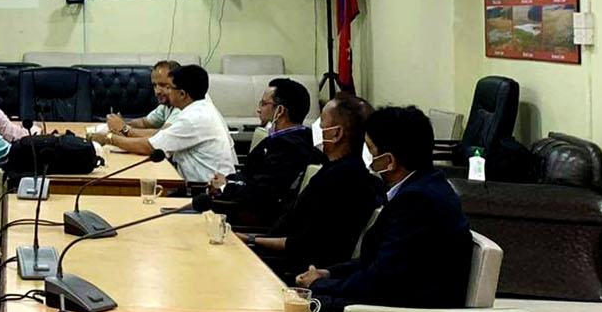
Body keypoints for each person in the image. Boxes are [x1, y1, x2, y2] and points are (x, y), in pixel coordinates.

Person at [295, 106, 471, 312]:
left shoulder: (417, 202)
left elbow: (380, 279)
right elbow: (380, 260)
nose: (366, 157)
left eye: (370, 149)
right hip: (395, 299)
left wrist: (320, 284)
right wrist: (329, 273)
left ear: (389, 160)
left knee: (299, 305)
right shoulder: (426, 185)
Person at [239, 95, 384, 279]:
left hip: (294, 271)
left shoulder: (344, 180)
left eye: (322, 121)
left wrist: (251, 240)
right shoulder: (333, 168)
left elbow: (304, 245)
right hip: (277, 254)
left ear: (336, 134)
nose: (317, 127)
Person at [193, 78, 323, 219]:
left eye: (264, 104)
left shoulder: (290, 147)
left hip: (251, 216)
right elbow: (252, 175)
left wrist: (224, 187)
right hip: (241, 200)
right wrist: (227, 181)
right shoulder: (289, 137)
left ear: (280, 110)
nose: (258, 109)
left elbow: (262, 193)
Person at [86, 64, 236, 182]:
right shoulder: (197, 109)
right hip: (199, 183)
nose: (163, 91)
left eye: (169, 88)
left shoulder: (193, 119)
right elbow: (149, 129)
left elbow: (150, 146)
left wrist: (108, 138)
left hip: (206, 190)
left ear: (182, 94)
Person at [104, 60, 184, 137]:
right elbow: (144, 123)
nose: (157, 91)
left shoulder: (181, 108)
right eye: (154, 85)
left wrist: (124, 129)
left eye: (163, 85)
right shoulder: (166, 106)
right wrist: (121, 122)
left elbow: (161, 136)